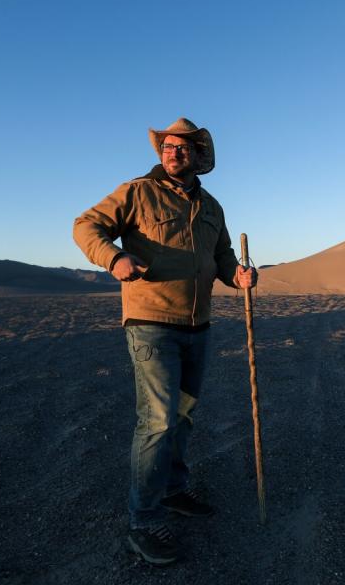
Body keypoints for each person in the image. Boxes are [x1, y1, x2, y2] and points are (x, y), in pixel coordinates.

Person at [72, 117, 258, 565]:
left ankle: (174, 490)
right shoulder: (136, 192)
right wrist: (113, 256)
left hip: (200, 325)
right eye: (168, 147)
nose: (173, 153)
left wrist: (239, 275)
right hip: (151, 321)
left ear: (198, 155)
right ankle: (144, 518)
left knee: (183, 415)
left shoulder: (212, 206)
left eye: (183, 148)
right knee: (157, 420)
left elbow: (222, 257)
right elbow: (86, 225)